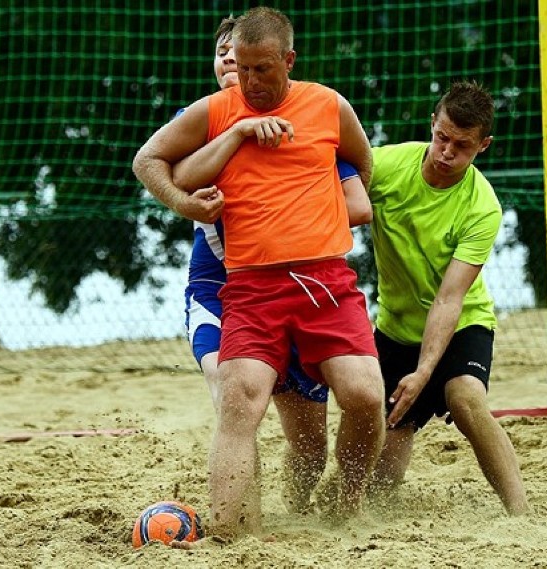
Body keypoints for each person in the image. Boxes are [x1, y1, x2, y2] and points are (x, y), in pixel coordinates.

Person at [132, 7, 385, 540]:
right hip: (248, 285)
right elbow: (148, 160)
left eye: (261, 69)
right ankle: (229, 531)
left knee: (363, 395)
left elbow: (363, 166)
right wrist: (186, 204)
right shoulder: (214, 110)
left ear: (289, 60)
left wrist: (320, 216)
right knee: (238, 395)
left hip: (326, 284)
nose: (248, 80)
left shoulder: (329, 105)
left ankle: (348, 501)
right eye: (239, 68)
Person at [367, 80, 530, 515]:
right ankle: (372, 514)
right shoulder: (384, 166)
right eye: (441, 137)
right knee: (388, 433)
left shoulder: (482, 206)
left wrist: (424, 372)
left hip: (462, 323)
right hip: (396, 327)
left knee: (465, 398)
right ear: (432, 124)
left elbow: (449, 299)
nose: (446, 152)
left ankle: (522, 515)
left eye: (462, 145)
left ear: (484, 146)